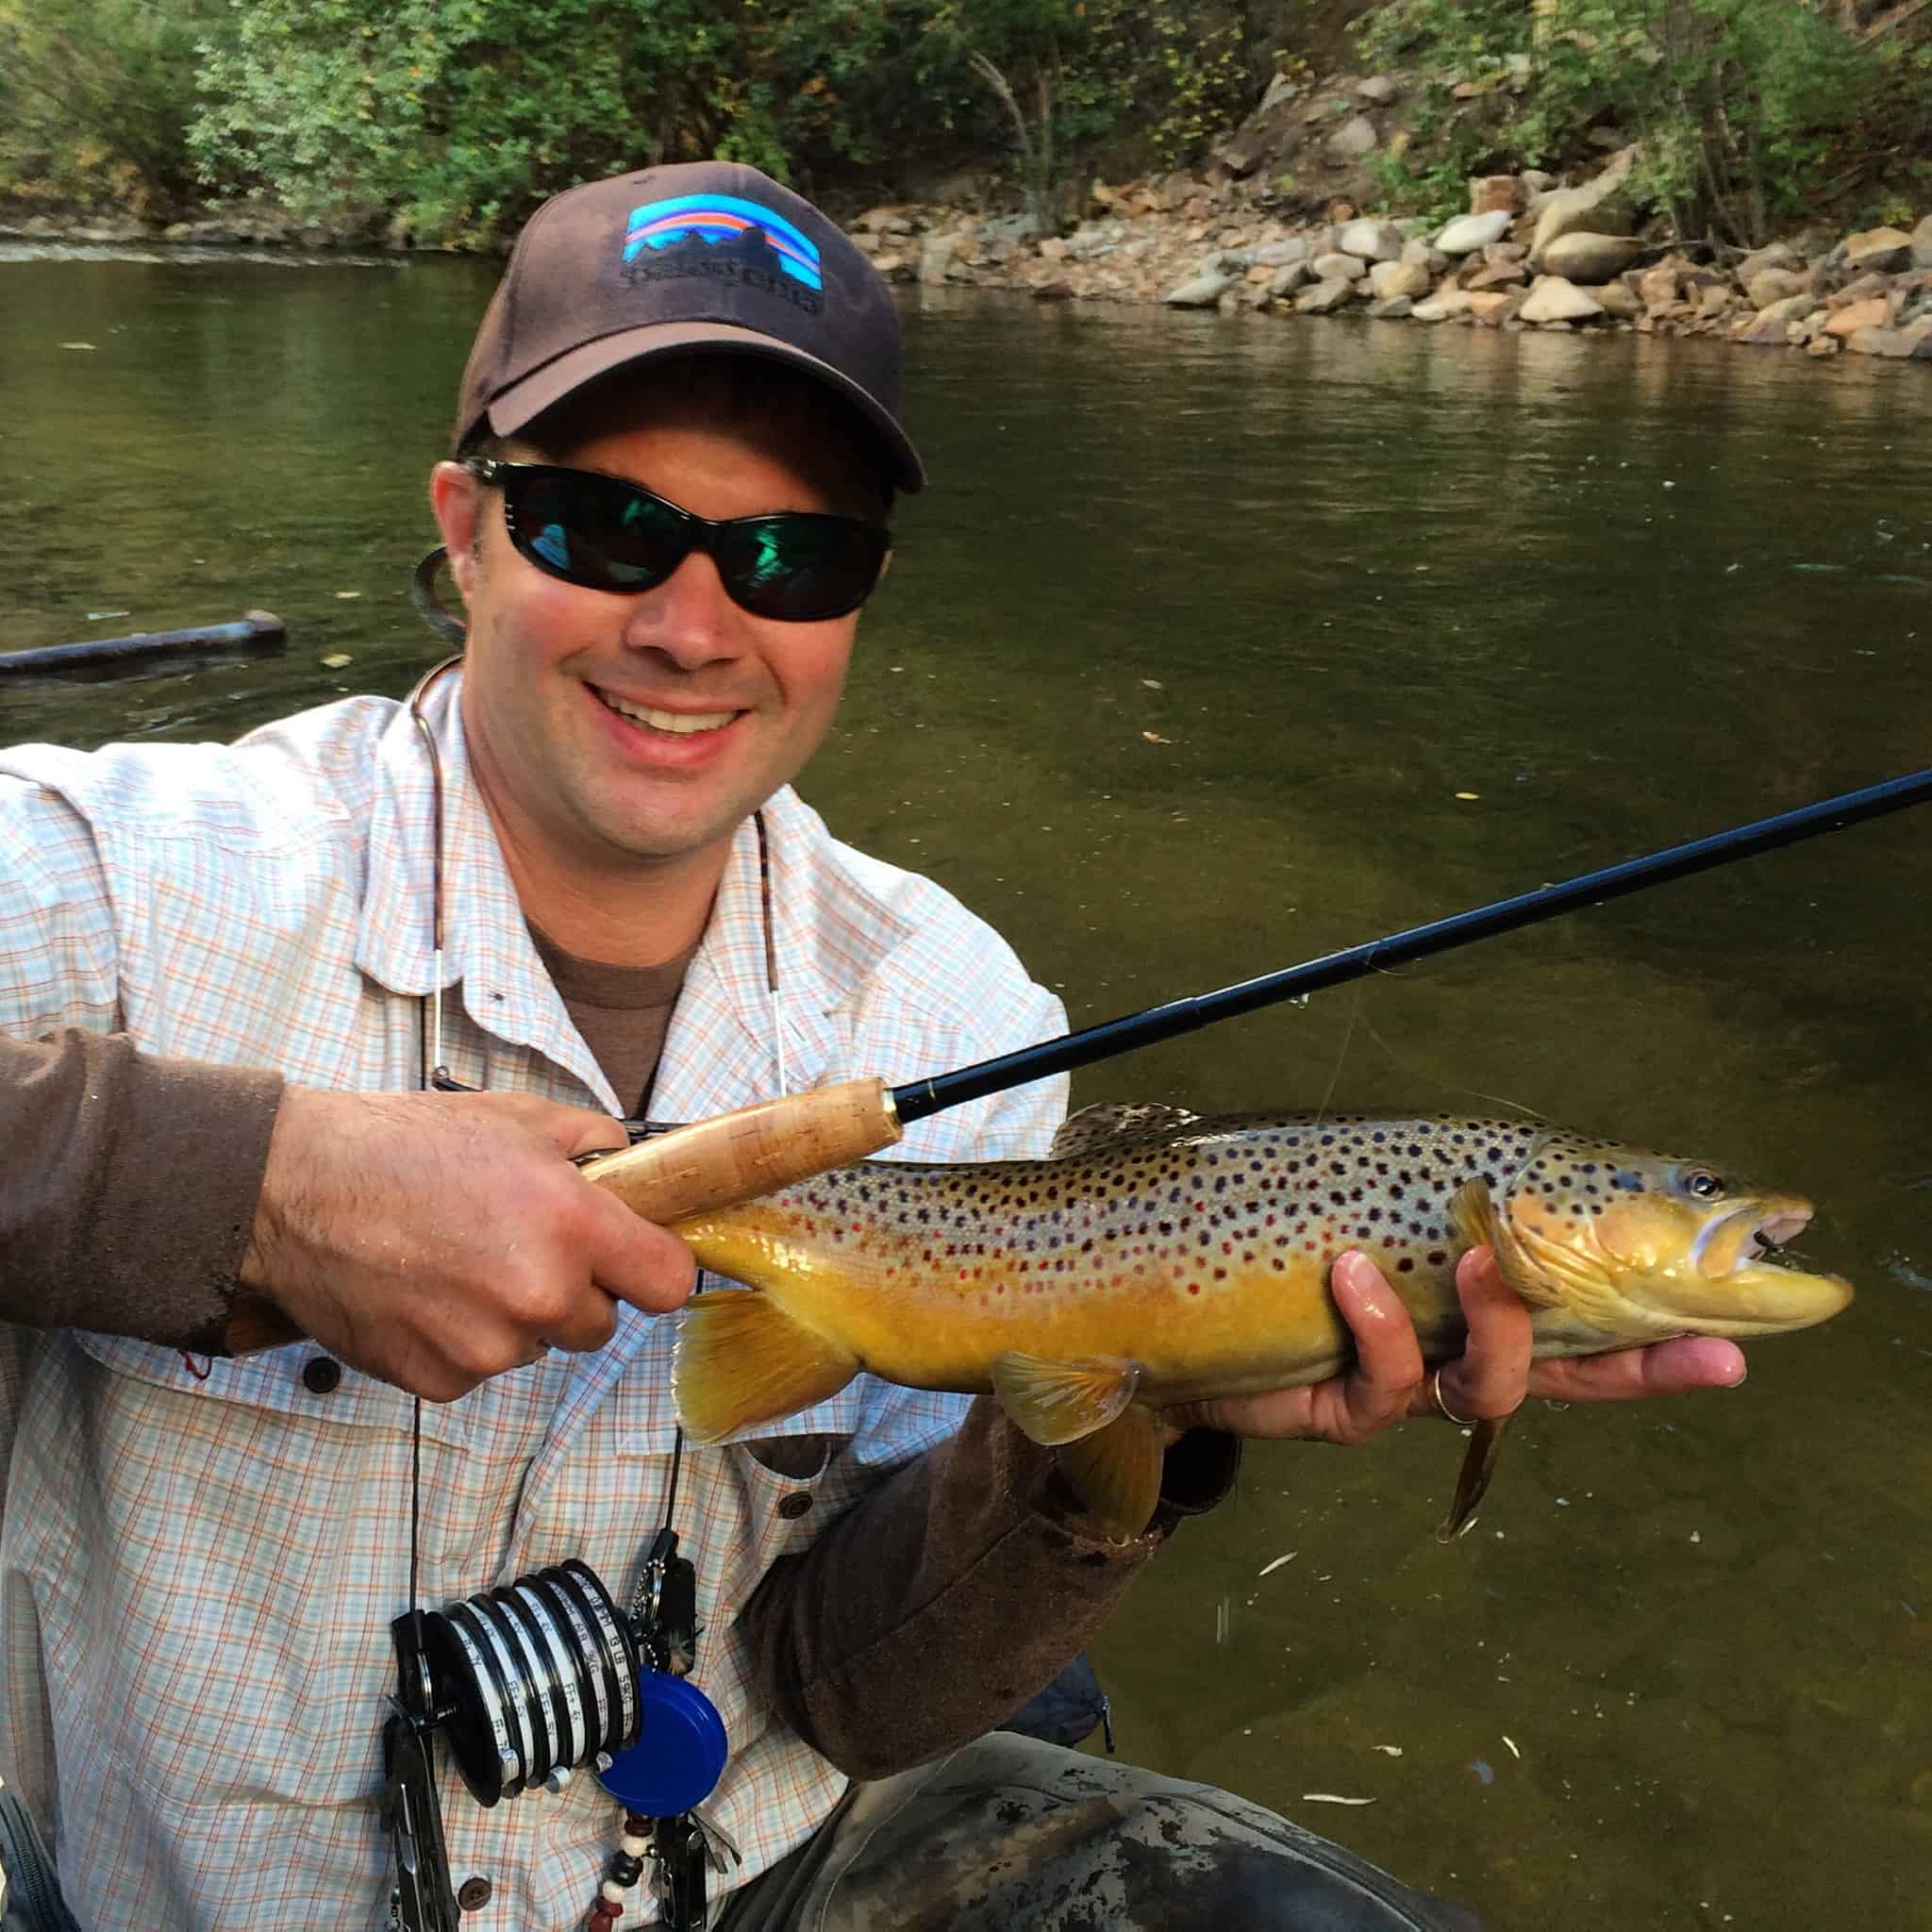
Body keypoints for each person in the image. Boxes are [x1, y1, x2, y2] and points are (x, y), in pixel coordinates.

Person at [0, 161, 1745, 1932]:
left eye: (789, 555)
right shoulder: (118, 880)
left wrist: (1133, 1425)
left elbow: (857, 1698)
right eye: (603, 526)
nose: (693, 626)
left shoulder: (961, 1013)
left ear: (862, 595)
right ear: (461, 525)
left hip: (744, 1874)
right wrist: (258, 1189)